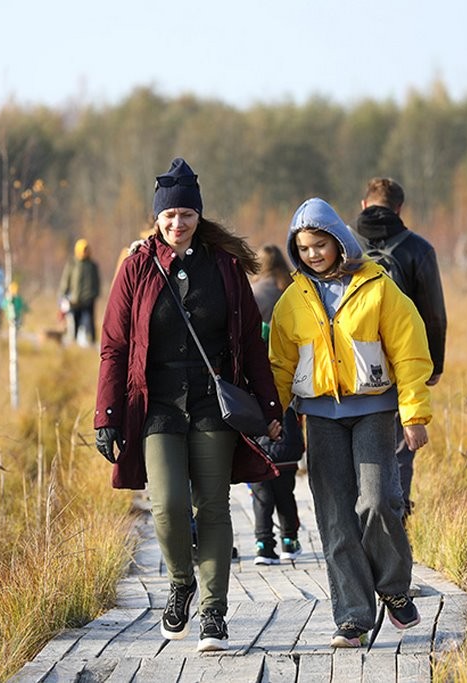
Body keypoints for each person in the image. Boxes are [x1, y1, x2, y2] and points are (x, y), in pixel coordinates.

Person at [94, 157, 283, 653]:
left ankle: (214, 614)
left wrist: (268, 405)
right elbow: (113, 345)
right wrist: (107, 416)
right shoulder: (136, 268)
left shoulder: (223, 268)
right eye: (170, 215)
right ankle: (182, 582)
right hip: (156, 405)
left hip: (210, 402)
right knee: (170, 506)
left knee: (214, 507)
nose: (178, 224)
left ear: (200, 217)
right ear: (157, 217)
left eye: (187, 215)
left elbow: (248, 338)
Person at [268, 197, 434, 649]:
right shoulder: (291, 301)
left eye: (319, 245)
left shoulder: (378, 288)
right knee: (336, 518)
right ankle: (353, 618)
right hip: (319, 418)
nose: (312, 255)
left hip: (374, 411)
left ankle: (395, 590)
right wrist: (272, 417)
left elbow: (410, 351)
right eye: (302, 249)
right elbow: (281, 366)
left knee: (378, 502)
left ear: (339, 241)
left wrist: (414, 414)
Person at [352, 178, 447, 520]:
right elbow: (433, 313)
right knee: (400, 445)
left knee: (355, 439)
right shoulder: (418, 248)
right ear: (399, 209)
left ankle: (361, 514)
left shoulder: (344, 244)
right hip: (401, 361)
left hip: (351, 363)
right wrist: (434, 365)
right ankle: (397, 514)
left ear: (364, 205)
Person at [248, 245, 304, 566]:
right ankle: (288, 538)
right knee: (286, 492)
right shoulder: (291, 291)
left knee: (261, 493)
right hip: (288, 390)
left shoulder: (253, 293)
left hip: (258, 408)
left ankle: (262, 543)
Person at [58, 238, 101, 347]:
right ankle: (74, 345)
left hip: (88, 301)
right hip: (74, 301)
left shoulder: (92, 266)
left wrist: (94, 295)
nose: (86, 251)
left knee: (89, 325)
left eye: (87, 249)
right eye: (84, 249)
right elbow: (65, 281)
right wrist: (62, 296)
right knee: (74, 325)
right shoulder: (72, 264)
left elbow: (97, 282)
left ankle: (91, 344)